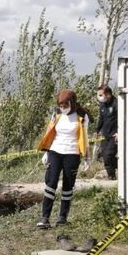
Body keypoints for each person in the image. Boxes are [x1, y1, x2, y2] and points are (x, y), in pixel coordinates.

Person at [36, 89, 89, 229]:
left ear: (72, 103)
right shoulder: (56, 113)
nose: (63, 108)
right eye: (61, 105)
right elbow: (50, 131)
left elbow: (85, 137)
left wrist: (87, 158)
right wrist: (46, 152)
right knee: (51, 182)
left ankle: (62, 218)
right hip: (55, 151)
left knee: (67, 186)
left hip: (72, 153)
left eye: (66, 106)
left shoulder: (82, 116)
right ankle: (44, 218)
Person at [95, 85, 118, 180]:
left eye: (101, 95)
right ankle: (111, 176)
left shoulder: (117, 103)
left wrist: (119, 132)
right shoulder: (102, 105)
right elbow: (101, 119)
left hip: (115, 134)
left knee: (109, 154)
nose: (99, 97)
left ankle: (116, 170)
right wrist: (96, 130)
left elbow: (122, 118)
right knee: (105, 155)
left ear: (108, 94)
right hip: (105, 134)